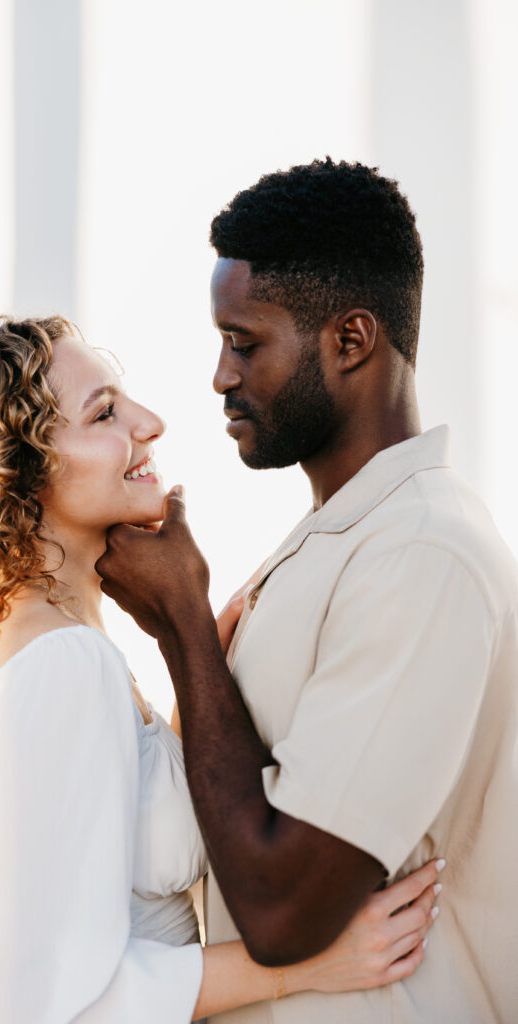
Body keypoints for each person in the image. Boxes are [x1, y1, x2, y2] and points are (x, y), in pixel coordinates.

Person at [0, 315, 441, 1023]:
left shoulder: (60, 649)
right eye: (104, 412)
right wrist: (301, 962)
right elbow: (29, 1008)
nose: (150, 423)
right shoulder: (59, 664)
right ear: (15, 472)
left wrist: (188, 644)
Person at [96, 159, 518, 1023]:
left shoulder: (420, 552)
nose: (220, 376)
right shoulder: (339, 540)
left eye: (244, 342)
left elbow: (283, 910)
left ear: (350, 340)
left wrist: (183, 624)